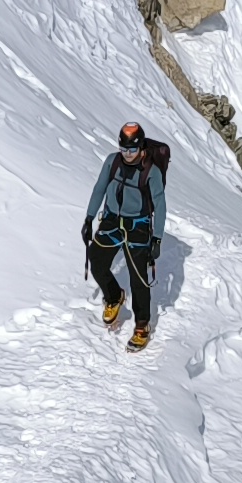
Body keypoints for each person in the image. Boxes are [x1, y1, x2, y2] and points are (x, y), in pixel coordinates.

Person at [84, 121, 171, 352]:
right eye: (124, 149)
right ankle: (114, 297)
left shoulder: (150, 171)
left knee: (138, 278)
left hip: (138, 226)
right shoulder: (113, 161)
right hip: (112, 221)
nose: (128, 154)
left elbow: (160, 205)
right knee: (97, 261)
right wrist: (89, 218)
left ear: (141, 146)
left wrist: (158, 238)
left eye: (132, 149)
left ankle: (142, 325)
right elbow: (99, 188)